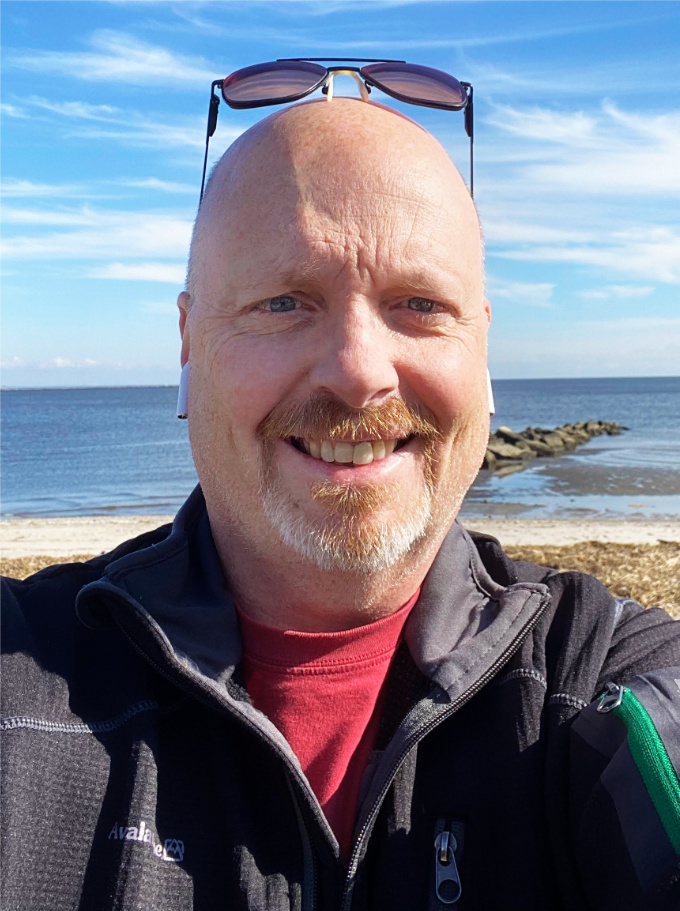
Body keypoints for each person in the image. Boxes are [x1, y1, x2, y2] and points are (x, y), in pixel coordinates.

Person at [2, 94, 680, 911]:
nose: (359, 371)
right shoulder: (27, 685)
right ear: (188, 342)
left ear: (484, 350)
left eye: (420, 305)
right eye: (284, 301)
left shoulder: (591, 675)